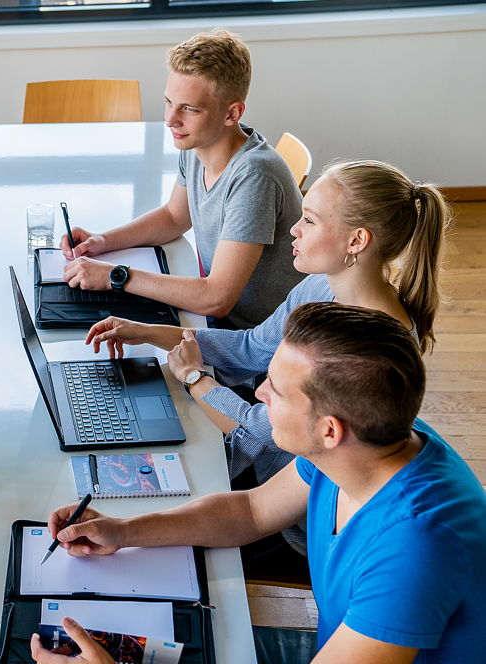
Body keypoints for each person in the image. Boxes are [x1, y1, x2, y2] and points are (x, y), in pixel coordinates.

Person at [35, 303, 486, 664]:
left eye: (278, 389)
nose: (259, 393)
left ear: (329, 429)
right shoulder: (363, 445)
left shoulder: (417, 546)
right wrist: (124, 531)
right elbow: (250, 511)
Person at [85, 160, 450, 553]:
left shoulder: (369, 350)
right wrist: (150, 333)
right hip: (261, 474)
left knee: (137, 487)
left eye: (308, 220)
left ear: (356, 240)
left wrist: (195, 380)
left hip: (292, 519)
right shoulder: (321, 285)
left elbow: (265, 432)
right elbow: (251, 349)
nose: (293, 229)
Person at [60, 29, 303, 330]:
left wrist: (115, 275)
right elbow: (175, 216)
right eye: (169, 102)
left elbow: (217, 297)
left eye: (189, 108)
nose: (171, 119)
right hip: (219, 318)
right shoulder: (198, 142)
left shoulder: (255, 176)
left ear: (232, 113)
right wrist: (103, 241)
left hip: (259, 336)